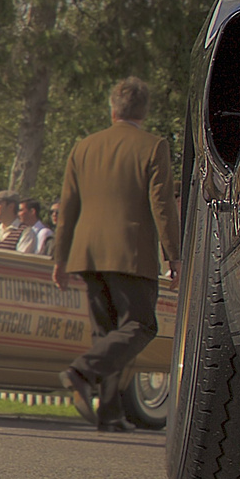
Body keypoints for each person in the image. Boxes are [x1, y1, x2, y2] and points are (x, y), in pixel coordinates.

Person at [51, 77, 182, 431]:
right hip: (132, 253)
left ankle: (109, 413)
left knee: (106, 335)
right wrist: (175, 254)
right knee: (140, 325)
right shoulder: (154, 147)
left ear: (113, 110)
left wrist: (60, 257)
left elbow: (68, 207)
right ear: (144, 111)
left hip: (88, 254)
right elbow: (163, 205)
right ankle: (82, 371)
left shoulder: (84, 147)